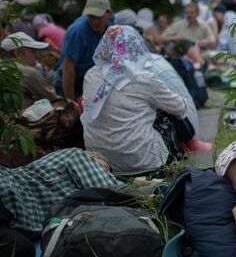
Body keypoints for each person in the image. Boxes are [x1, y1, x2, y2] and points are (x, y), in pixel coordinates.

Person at [81, 26, 210, 174]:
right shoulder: (142, 78)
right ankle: (194, 143)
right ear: (136, 46)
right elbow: (180, 107)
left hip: (101, 162)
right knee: (167, 111)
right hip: (143, 161)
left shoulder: (90, 75)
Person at [0, 148, 121, 257]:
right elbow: (115, 192)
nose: (105, 174)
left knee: (19, 250)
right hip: (4, 196)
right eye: (103, 170)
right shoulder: (77, 156)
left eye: (108, 173)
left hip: (9, 218)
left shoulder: (78, 199)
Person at [56, 0, 113, 100]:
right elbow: (68, 67)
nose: (95, 22)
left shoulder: (112, 28)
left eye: (99, 17)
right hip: (72, 82)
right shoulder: (78, 32)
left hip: (93, 80)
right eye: (91, 17)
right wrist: (70, 101)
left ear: (109, 14)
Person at [1, 32, 60, 107]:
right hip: (17, 117)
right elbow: (53, 99)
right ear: (17, 53)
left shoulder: (3, 66)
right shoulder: (29, 72)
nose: (36, 54)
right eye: (32, 50)